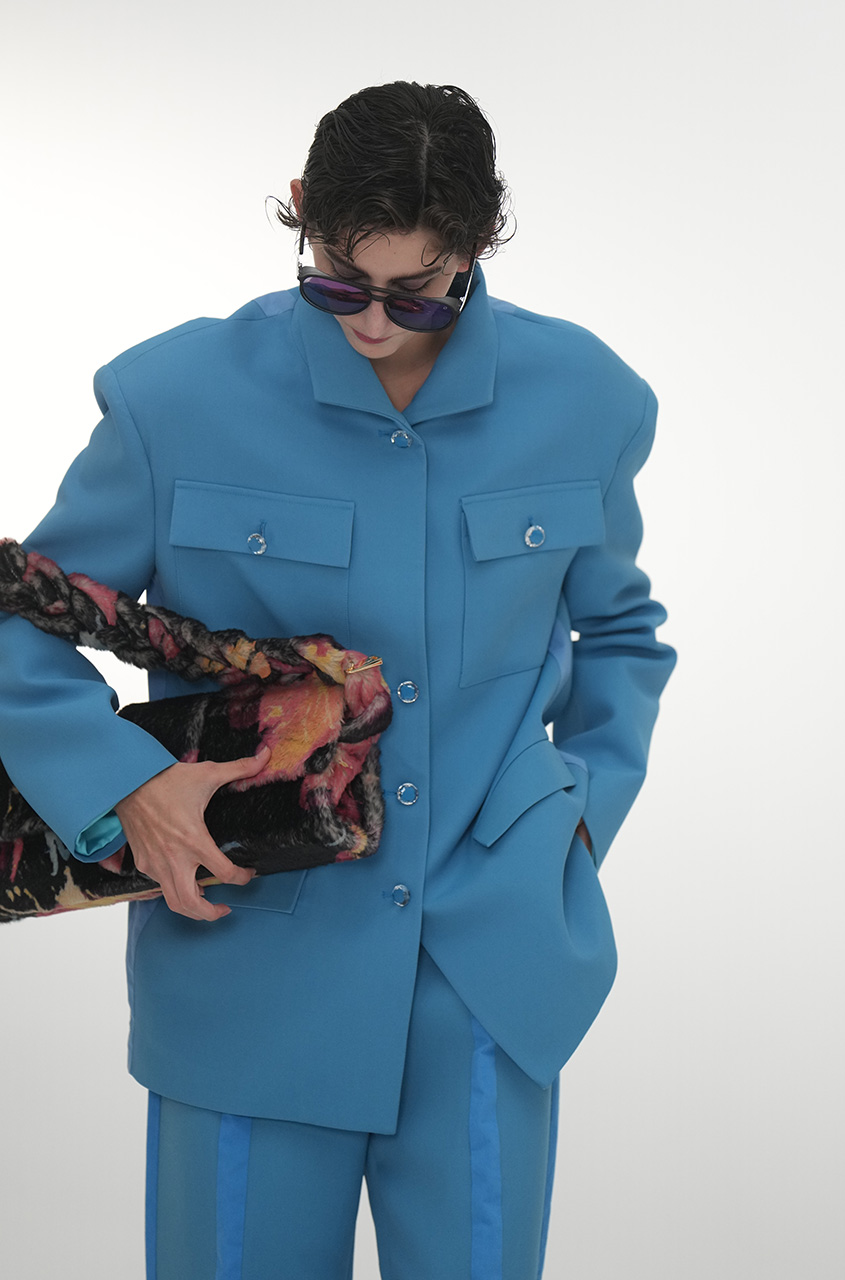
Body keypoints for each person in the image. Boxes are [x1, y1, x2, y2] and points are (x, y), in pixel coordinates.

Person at [0, 81, 677, 1279]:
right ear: (303, 210)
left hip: (490, 968)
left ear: (480, 239)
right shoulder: (171, 400)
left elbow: (621, 632)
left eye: (417, 290)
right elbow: (21, 620)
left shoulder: (592, 401)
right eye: (337, 280)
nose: (372, 319)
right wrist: (124, 786)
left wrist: (571, 821)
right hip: (248, 961)